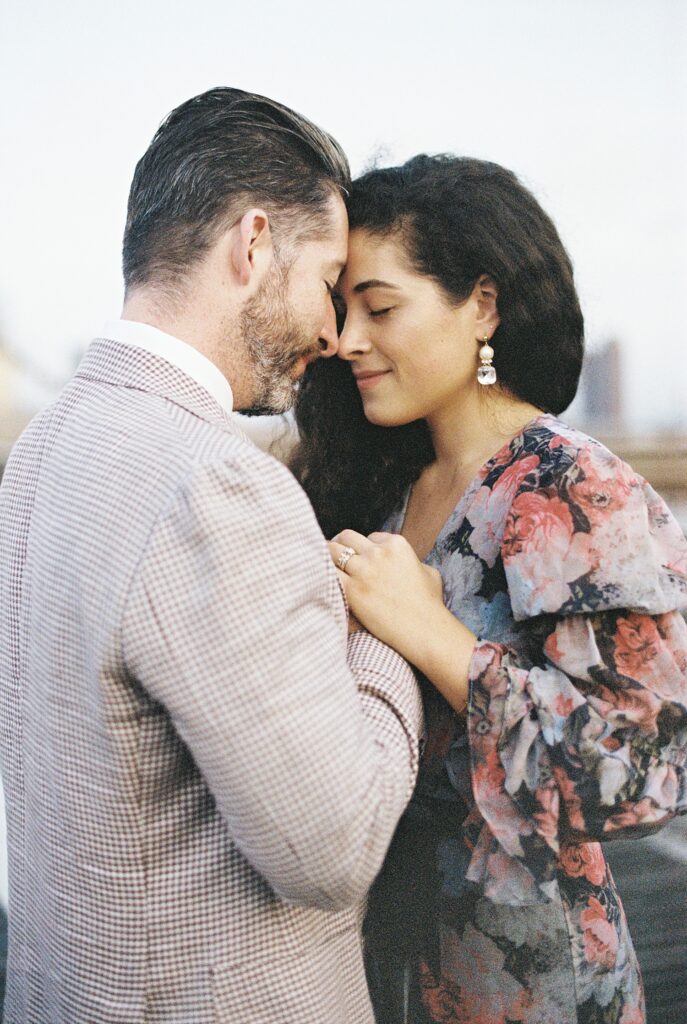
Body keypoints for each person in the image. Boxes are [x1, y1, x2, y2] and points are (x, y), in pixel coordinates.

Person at [0, 89, 424, 1024]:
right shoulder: (214, 485)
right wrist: (386, 632)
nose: (330, 331)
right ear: (253, 243)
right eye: (325, 283)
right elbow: (331, 846)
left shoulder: (42, 448)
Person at [293, 154, 687, 1024]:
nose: (346, 339)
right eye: (341, 309)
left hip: (526, 982)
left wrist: (436, 640)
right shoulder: (390, 483)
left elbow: (644, 776)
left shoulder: (568, 488)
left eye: (380, 307)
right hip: (384, 962)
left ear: (482, 305)